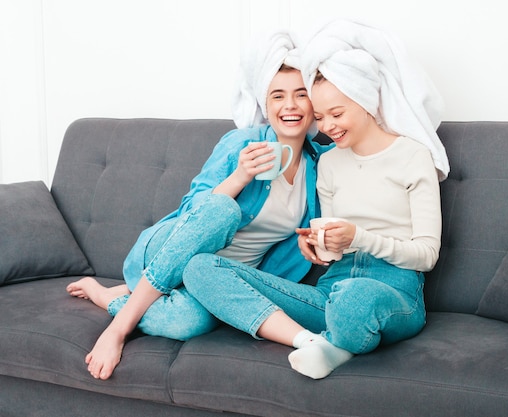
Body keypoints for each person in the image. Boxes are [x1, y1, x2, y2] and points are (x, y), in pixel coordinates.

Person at [182, 18, 448, 380]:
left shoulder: (412, 157)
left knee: (354, 299)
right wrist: (321, 249)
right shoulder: (330, 161)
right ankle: (315, 342)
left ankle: (336, 341)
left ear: (367, 102)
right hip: (331, 293)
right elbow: (333, 249)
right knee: (199, 267)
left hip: (393, 293)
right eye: (320, 117)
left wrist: (359, 238)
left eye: (337, 114)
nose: (326, 127)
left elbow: (427, 255)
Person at [65, 29, 328, 380]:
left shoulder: (320, 166)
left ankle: (112, 296)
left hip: (210, 277)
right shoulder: (242, 143)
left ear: (314, 103)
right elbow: (196, 212)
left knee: (189, 322)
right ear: (265, 105)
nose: (290, 106)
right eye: (278, 95)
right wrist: (240, 177)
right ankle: (118, 327)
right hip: (171, 247)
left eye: (300, 95)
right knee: (223, 209)